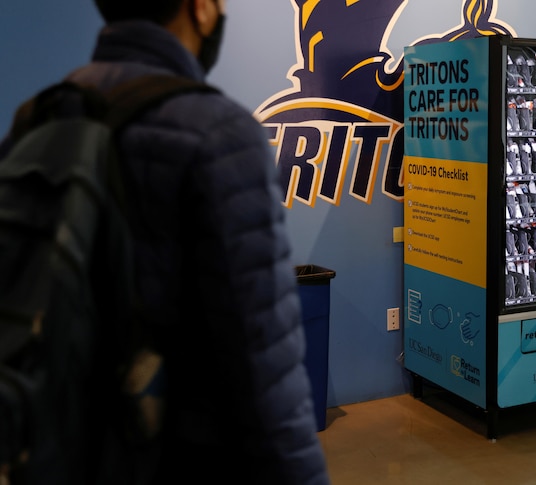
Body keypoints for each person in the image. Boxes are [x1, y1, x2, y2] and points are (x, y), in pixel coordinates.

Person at [0, 1, 331, 483]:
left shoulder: (37, 116)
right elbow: (265, 369)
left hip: (53, 444)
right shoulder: (219, 132)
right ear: (199, 11)